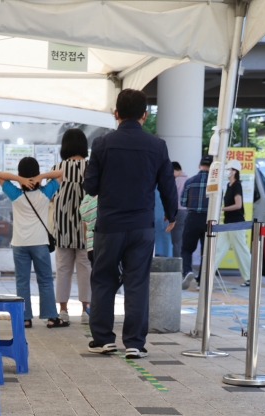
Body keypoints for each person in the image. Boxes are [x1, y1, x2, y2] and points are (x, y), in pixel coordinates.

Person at [82, 88, 178, 357]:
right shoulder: (157, 146)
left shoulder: (101, 144)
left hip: (109, 225)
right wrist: (172, 214)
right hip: (141, 226)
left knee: (103, 279)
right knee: (137, 282)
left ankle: (103, 339)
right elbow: (167, 184)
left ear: (116, 114)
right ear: (145, 115)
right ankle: (134, 343)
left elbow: (90, 186)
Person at [0, 158, 63, 328]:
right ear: (37, 172)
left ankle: (25, 318)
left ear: (20, 173)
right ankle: (50, 317)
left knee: (22, 281)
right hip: (40, 243)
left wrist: (19, 180)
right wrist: (41, 176)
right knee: (45, 280)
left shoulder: (15, 194)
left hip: (19, 244)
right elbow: (61, 174)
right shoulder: (45, 193)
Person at [51, 127, 91, 324]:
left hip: (63, 226)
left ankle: (63, 310)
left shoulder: (57, 167)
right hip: (86, 226)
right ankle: (86, 310)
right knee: (86, 267)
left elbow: (50, 195)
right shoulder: (90, 166)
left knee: (63, 268)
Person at [215, 158, 250, 287]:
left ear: (235, 171)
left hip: (236, 223)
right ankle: (206, 275)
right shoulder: (228, 185)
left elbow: (238, 205)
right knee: (218, 249)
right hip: (228, 222)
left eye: (229, 169)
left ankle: (250, 277)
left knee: (241, 250)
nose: (227, 171)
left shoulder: (236, 185)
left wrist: (222, 209)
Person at [180, 155, 212, 290]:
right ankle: (202, 282)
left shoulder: (190, 181)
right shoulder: (214, 184)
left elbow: (182, 202)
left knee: (186, 249)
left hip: (192, 217)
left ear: (199, 166)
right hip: (209, 219)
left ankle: (187, 272)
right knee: (206, 251)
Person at [171, 161, 189, 260]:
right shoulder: (189, 179)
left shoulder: (176, 181)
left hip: (178, 211)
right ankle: (185, 265)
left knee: (177, 241)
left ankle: (177, 265)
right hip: (187, 211)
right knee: (184, 239)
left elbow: (172, 197)